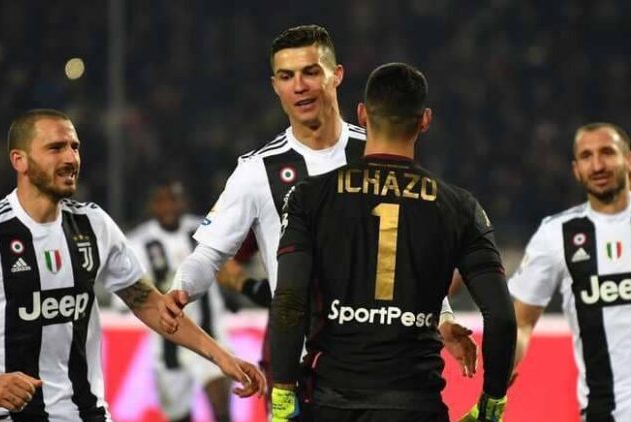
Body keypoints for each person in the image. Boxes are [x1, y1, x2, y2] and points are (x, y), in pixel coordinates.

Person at [169, 22, 475, 395]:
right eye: (287, 76)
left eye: (311, 72)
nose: (299, 86)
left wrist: (443, 317)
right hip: (305, 374)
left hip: (387, 366)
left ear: (337, 75)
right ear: (275, 86)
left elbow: (408, 254)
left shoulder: (379, 152)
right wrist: (181, 289)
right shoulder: (256, 171)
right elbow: (209, 256)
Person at [0, 109, 265, 422]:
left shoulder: (93, 225)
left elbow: (149, 303)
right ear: (19, 160)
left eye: (74, 147)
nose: (70, 158)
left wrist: (222, 357)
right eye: (55, 148)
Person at [268, 63, 516, 422]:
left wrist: (282, 402)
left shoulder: (310, 198)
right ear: (425, 121)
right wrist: (491, 411)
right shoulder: (460, 207)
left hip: (330, 409)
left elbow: (290, 301)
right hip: (415, 415)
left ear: (362, 115)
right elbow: (502, 317)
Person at [509, 122, 631, 422]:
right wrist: (501, 370)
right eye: (586, 156)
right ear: (576, 170)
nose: (598, 165)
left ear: (628, 160)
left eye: (607, 152)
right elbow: (521, 322)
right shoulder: (557, 235)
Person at [123, 180, 241, 422]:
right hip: (169, 345)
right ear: (153, 206)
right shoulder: (138, 243)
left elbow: (227, 267)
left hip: (211, 337)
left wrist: (235, 287)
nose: (169, 207)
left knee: (222, 413)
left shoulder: (202, 231)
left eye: (174, 200)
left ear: (183, 203)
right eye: (163, 201)